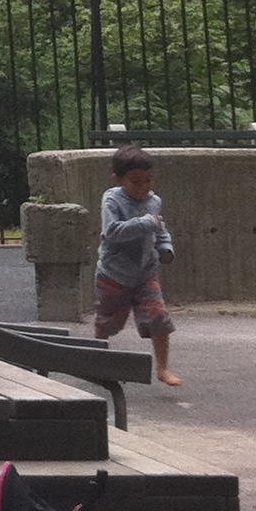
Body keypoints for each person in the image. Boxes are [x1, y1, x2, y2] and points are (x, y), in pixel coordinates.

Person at [96, 144, 181, 387]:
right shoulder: (112, 200)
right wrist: (145, 223)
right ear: (118, 179)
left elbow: (159, 229)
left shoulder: (154, 202)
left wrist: (165, 248)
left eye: (149, 180)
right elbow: (112, 232)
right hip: (114, 274)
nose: (144, 186)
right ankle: (98, 362)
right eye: (136, 181)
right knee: (108, 322)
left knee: (158, 318)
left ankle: (163, 368)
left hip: (146, 273)